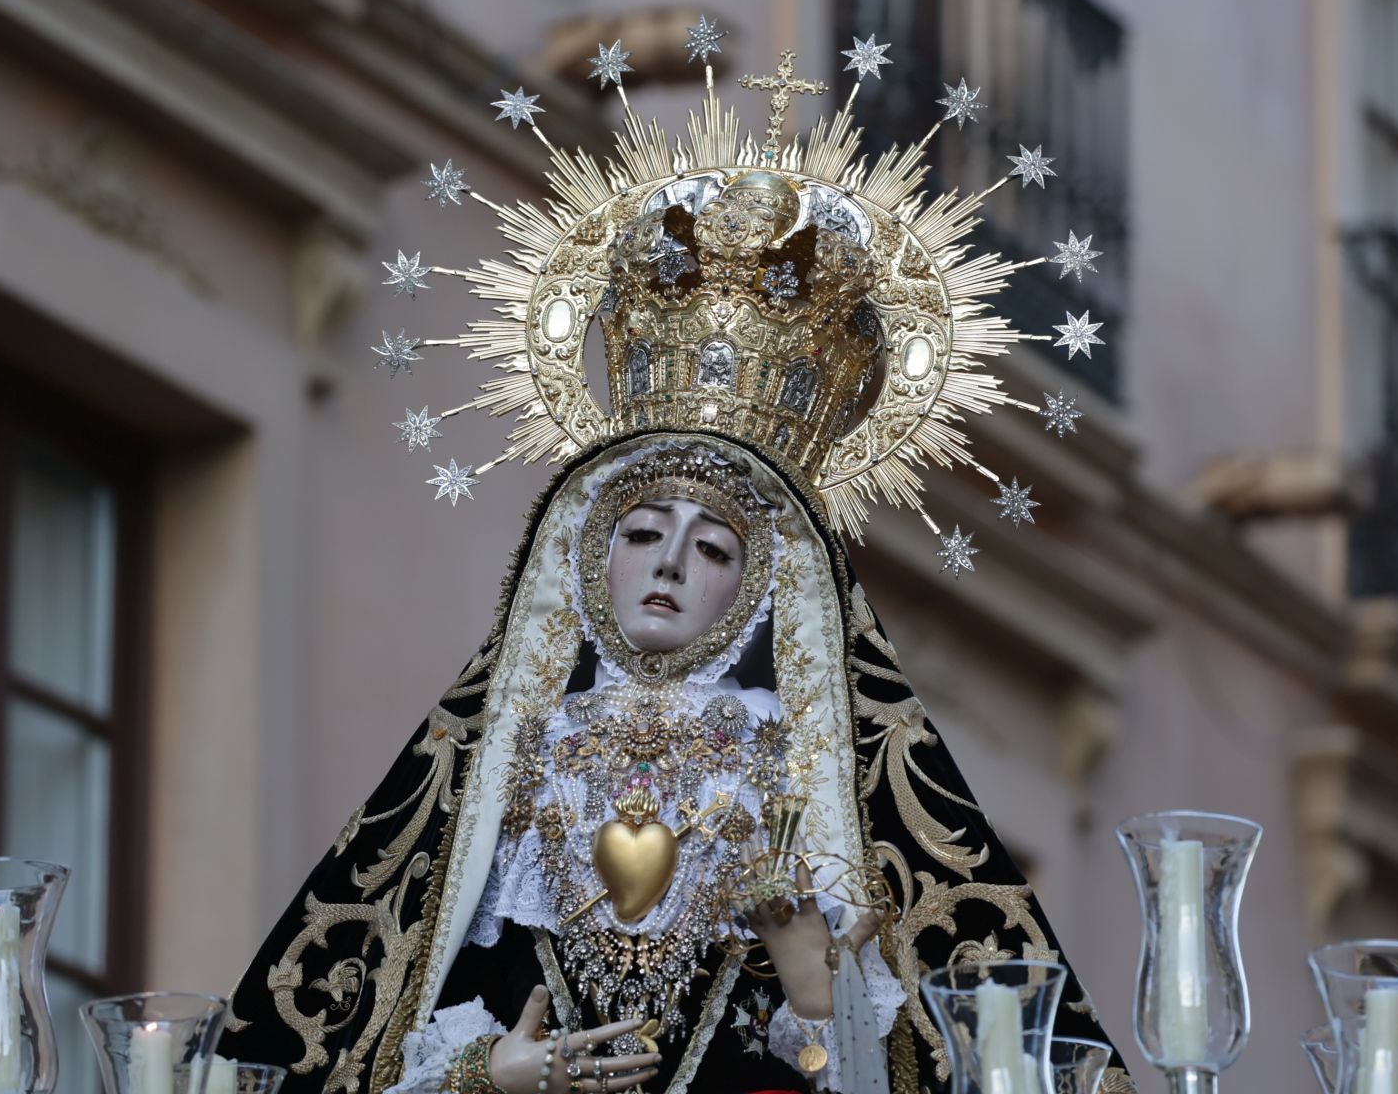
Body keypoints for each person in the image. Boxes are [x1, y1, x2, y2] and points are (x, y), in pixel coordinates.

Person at [216, 54, 1132, 1094]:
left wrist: (814, 989)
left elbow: (879, 1066)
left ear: (762, 588)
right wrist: (486, 1073)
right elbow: (362, 1036)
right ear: (586, 555)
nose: (668, 562)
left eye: (714, 548)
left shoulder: (807, 778)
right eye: (644, 530)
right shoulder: (504, 766)